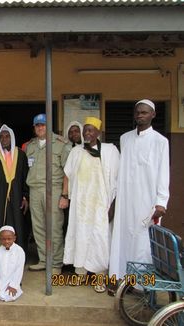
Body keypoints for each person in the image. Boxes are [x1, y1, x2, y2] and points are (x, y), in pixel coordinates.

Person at [109, 99, 170, 283]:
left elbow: (163, 173)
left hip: (147, 200)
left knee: (143, 242)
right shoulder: (125, 138)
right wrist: (115, 198)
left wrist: (161, 201)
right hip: (126, 199)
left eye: (144, 112)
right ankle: (120, 278)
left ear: (153, 115)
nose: (140, 116)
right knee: (122, 238)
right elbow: (122, 171)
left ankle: (142, 285)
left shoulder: (161, 141)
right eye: (137, 112)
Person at [63, 117, 120, 293]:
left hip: (100, 204)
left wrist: (113, 205)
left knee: (100, 238)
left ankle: (100, 276)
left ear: (98, 133)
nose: (87, 133)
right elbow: (67, 175)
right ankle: (80, 272)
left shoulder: (110, 151)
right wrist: (65, 195)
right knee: (80, 235)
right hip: (81, 204)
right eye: (85, 130)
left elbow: (118, 182)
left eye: (91, 130)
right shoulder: (76, 152)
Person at [26, 113, 69, 274]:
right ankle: (44, 260)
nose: (40, 128)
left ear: (48, 125)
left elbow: (67, 172)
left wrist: (64, 195)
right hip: (35, 190)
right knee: (38, 227)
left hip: (54, 190)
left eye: (43, 125)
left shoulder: (60, 144)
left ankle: (56, 263)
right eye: (37, 125)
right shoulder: (30, 146)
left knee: (54, 227)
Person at [0, 124, 29, 251]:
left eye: (7, 136)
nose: (4, 139)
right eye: (2, 137)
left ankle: (19, 253)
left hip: (16, 196)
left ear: (12, 138)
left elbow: (25, 177)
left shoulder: (21, 155)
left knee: (17, 224)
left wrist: (25, 196)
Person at [0, 225, 25, 302]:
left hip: (13, 280)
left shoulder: (19, 251)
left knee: (10, 295)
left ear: (14, 238)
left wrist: (13, 285)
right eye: (3, 239)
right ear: (0, 239)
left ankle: (16, 286)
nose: (6, 241)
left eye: (9, 239)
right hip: (1, 280)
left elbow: (19, 270)